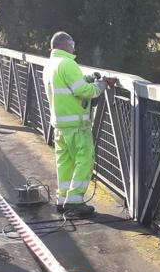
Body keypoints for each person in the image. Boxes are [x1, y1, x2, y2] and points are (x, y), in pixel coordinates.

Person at [44, 31, 115, 215]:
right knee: (85, 160)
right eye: (72, 43)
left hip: (59, 125)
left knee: (64, 163)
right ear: (65, 44)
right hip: (76, 124)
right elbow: (83, 91)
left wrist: (89, 78)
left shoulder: (51, 64)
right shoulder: (68, 63)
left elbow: (70, 86)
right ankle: (75, 200)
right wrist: (99, 86)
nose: (74, 46)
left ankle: (62, 199)